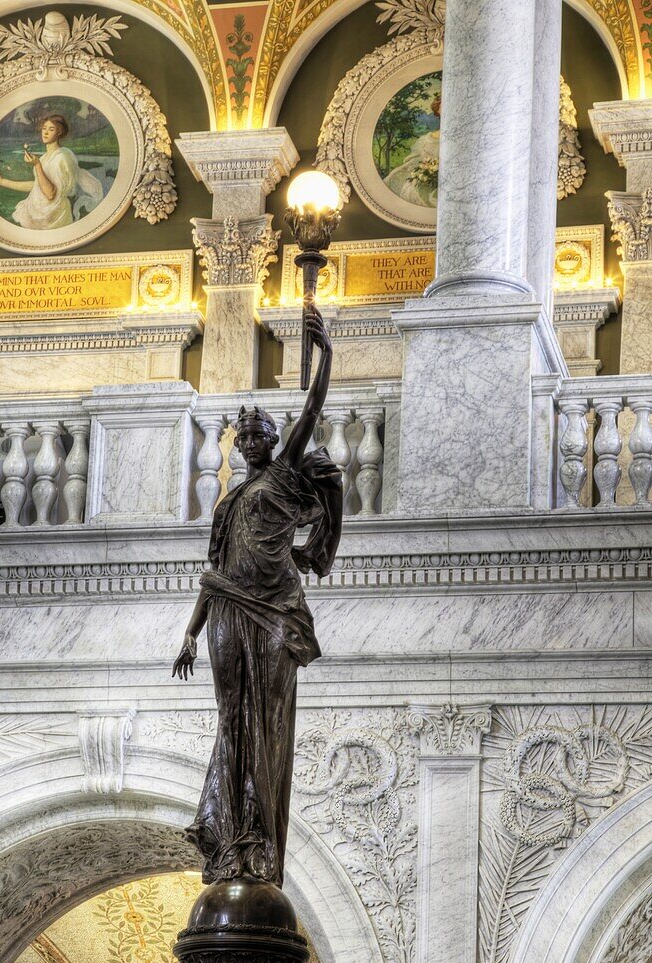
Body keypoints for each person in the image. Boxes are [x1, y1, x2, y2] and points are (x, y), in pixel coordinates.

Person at [172, 309, 342, 888]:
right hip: (225, 610)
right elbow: (211, 573)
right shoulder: (225, 505)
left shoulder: (285, 478)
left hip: (273, 614)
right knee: (230, 720)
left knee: (266, 721)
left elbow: (313, 410)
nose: (247, 442)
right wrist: (191, 633)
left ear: (272, 440)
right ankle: (229, 841)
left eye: (257, 434)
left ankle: (261, 845)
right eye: (240, 435)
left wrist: (323, 357)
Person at [0, 114, 103, 230]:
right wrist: (2, 182)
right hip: (38, 213)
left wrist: (37, 165)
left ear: (59, 132)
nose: (45, 132)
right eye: (44, 128)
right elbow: (37, 186)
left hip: (55, 217)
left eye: (51, 129)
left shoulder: (61, 158)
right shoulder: (44, 158)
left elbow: (51, 194)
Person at [384, 93, 441, 207]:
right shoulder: (426, 139)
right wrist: (426, 169)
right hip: (427, 174)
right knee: (395, 177)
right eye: (442, 108)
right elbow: (416, 159)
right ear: (438, 111)